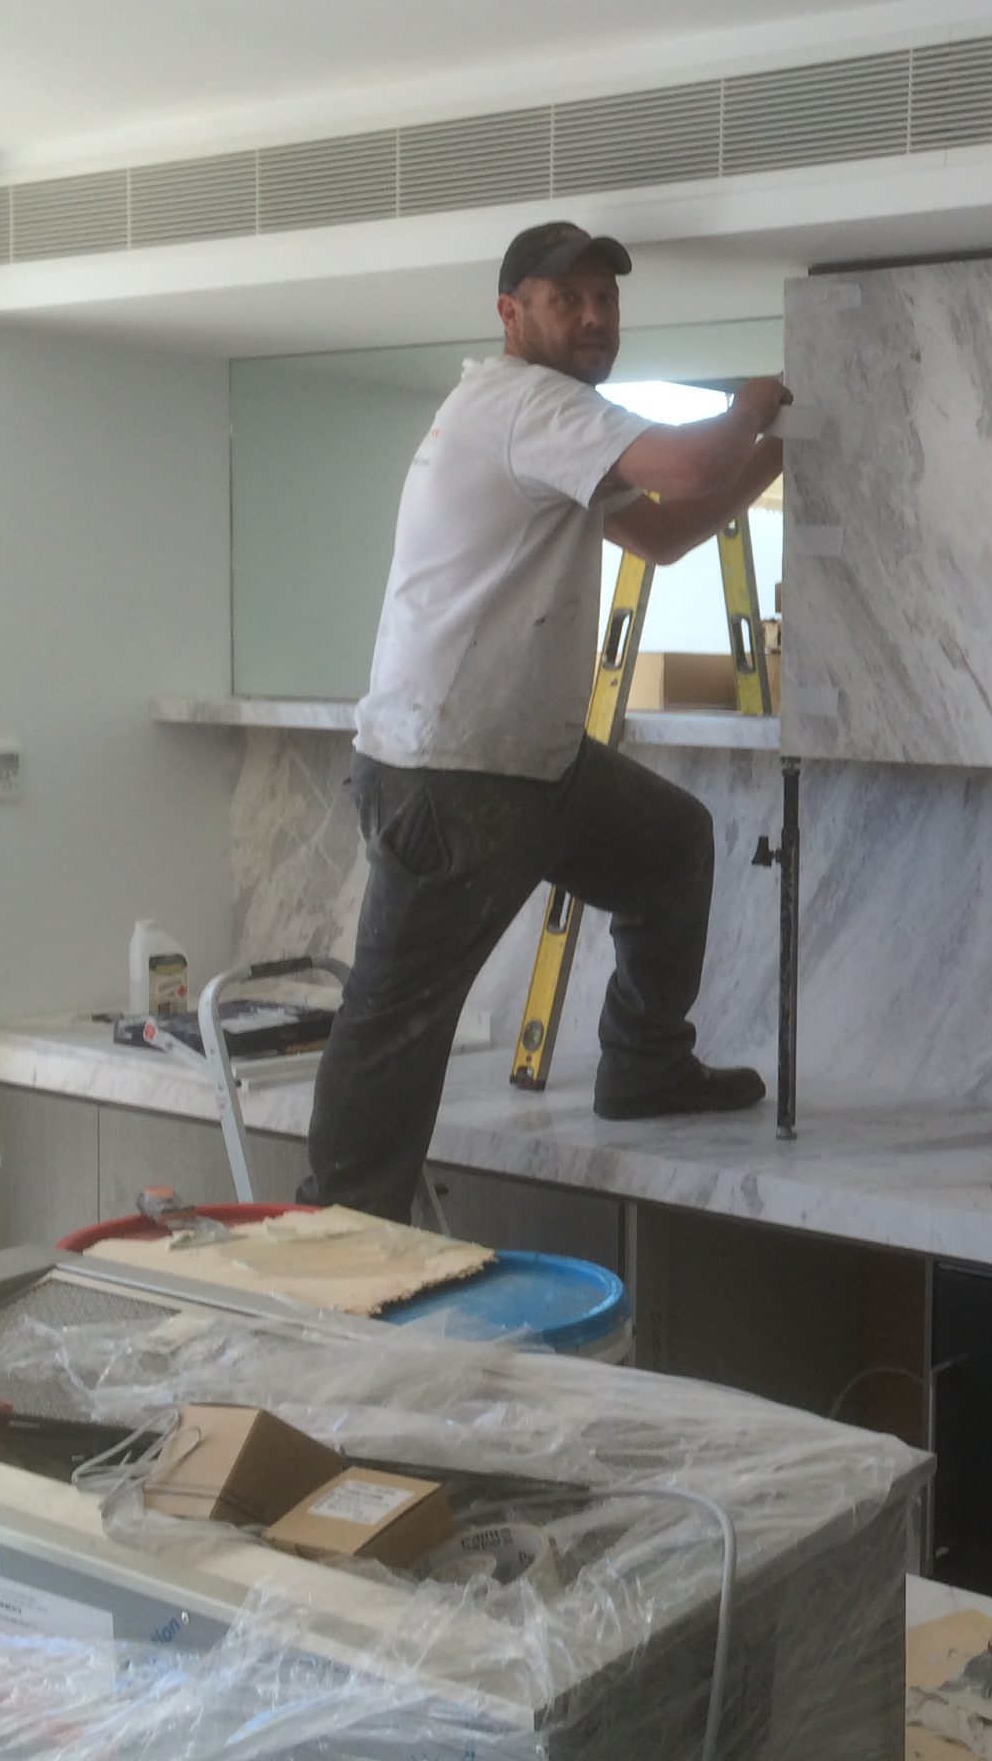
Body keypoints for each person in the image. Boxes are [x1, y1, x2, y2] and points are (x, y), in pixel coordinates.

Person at [302, 220, 787, 1221]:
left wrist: (775, 455)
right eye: (567, 299)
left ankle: (644, 1066)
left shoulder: (535, 425)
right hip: (449, 777)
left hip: (527, 767)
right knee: (396, 1023)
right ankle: (343, 1229)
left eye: (605, 299)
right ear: (510, 313)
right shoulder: (527, 402)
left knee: (671, 846)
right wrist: (755, 402)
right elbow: (690, 467)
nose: (593, 317)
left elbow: (662, 533)